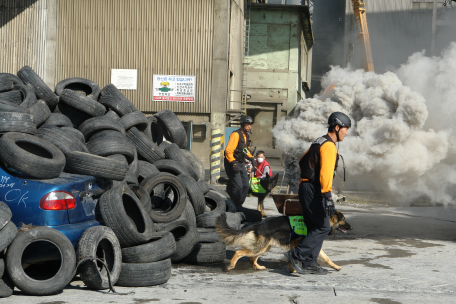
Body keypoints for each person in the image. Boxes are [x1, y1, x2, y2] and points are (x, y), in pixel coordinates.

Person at [284, 112, 351, 275]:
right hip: (315, 189)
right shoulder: (329, 145)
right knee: (323, 226)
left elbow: (302, 161)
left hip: (307, 187)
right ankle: (297, 254)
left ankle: (309, 262)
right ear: (337, 127)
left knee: (314, 226)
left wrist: (308, 178)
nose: (346, 133)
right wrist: (327, 196)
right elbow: (326, 174)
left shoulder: (319, 141)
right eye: (345, 129)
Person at [224, 115, 256, 207]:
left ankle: (238, 204)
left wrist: (251, 158)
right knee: (238, 186)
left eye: (250, 124)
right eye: (247, 124)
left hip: (241, 163)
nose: (249, 126)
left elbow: (245, 150)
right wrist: (233, 163)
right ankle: (236, 206)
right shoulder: (235, 134)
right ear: (242, 124)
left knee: (246, 185)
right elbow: (228, 151)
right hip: (232, 163)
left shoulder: (246, 136)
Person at [252, 150, 273, 217]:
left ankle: (261, 211)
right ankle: (259, 210)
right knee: (259, 196)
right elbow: (252, 170)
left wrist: (257, 179)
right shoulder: (255, 162)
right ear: (256, 157)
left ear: (264, 157)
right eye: (258, 157)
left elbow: (264, 175)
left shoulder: (266, 165)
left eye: (261, 157)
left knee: (261, 196)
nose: (260, 158)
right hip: (258, 180)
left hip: (266, 182)